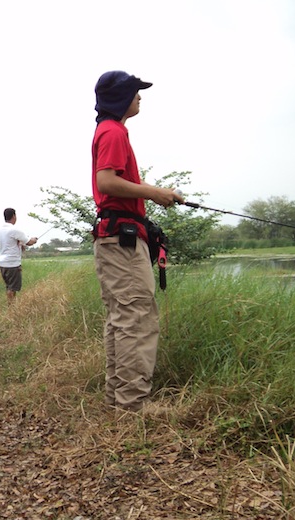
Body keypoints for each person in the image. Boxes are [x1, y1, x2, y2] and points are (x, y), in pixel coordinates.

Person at [91, 70, 183, 411]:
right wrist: (155, 193)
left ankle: (118, 400)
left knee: (121, 319)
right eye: (135, 92)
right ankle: (132, 405)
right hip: (122, 242)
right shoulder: (114, 131)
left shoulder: (109, 130)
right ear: (120, 98)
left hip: (114, 239)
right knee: (137, 319)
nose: (140, 97)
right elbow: (106, 183)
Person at [0, 208, 37, 303]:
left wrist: (20, 245)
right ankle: (12, 309)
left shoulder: (0, 230)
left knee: (9, 287)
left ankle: (12, 307)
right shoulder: (14, 230)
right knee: (13, 288)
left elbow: (10, 243)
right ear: (14, 216)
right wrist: (34, 239)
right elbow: (29, 242)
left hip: (2, 263)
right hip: (12, 264)